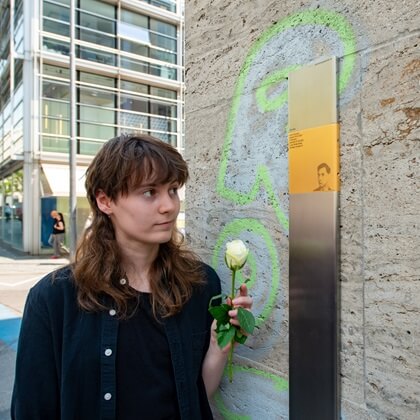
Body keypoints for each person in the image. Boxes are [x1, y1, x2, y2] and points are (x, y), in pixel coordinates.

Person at [11, 134, 252, 420]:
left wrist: (218, 346)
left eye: (173, 189)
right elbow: (32, 409)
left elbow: (195, 398)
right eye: (150, 192)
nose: (169, 205)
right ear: (105, 201)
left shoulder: (199, 284)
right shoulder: (54, 299)